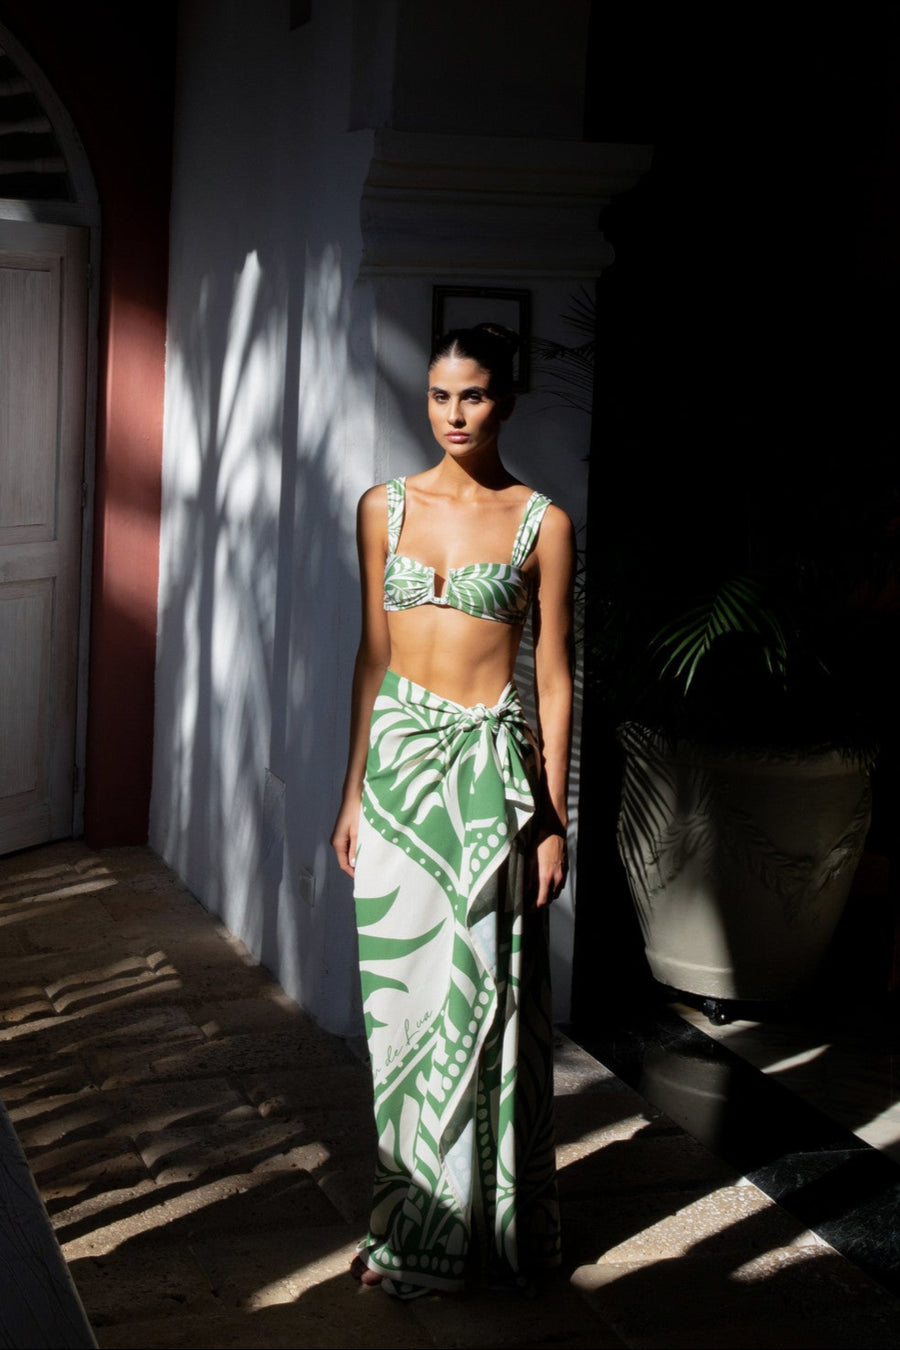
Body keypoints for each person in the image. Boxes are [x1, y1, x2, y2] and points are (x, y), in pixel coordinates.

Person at [330, 322, 575, 1300]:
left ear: (504, 399)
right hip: (398, 776)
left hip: (489, 783)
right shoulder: (381, 508)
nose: (455, 414)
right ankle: (409, 1224)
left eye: (472, 395)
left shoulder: (541, 523)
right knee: (400, 1017)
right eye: (441, 395)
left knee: (485, 1004)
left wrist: (551, 815)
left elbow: (553, 679)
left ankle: (488, 1231)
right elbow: (372, 657)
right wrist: (351, 791)